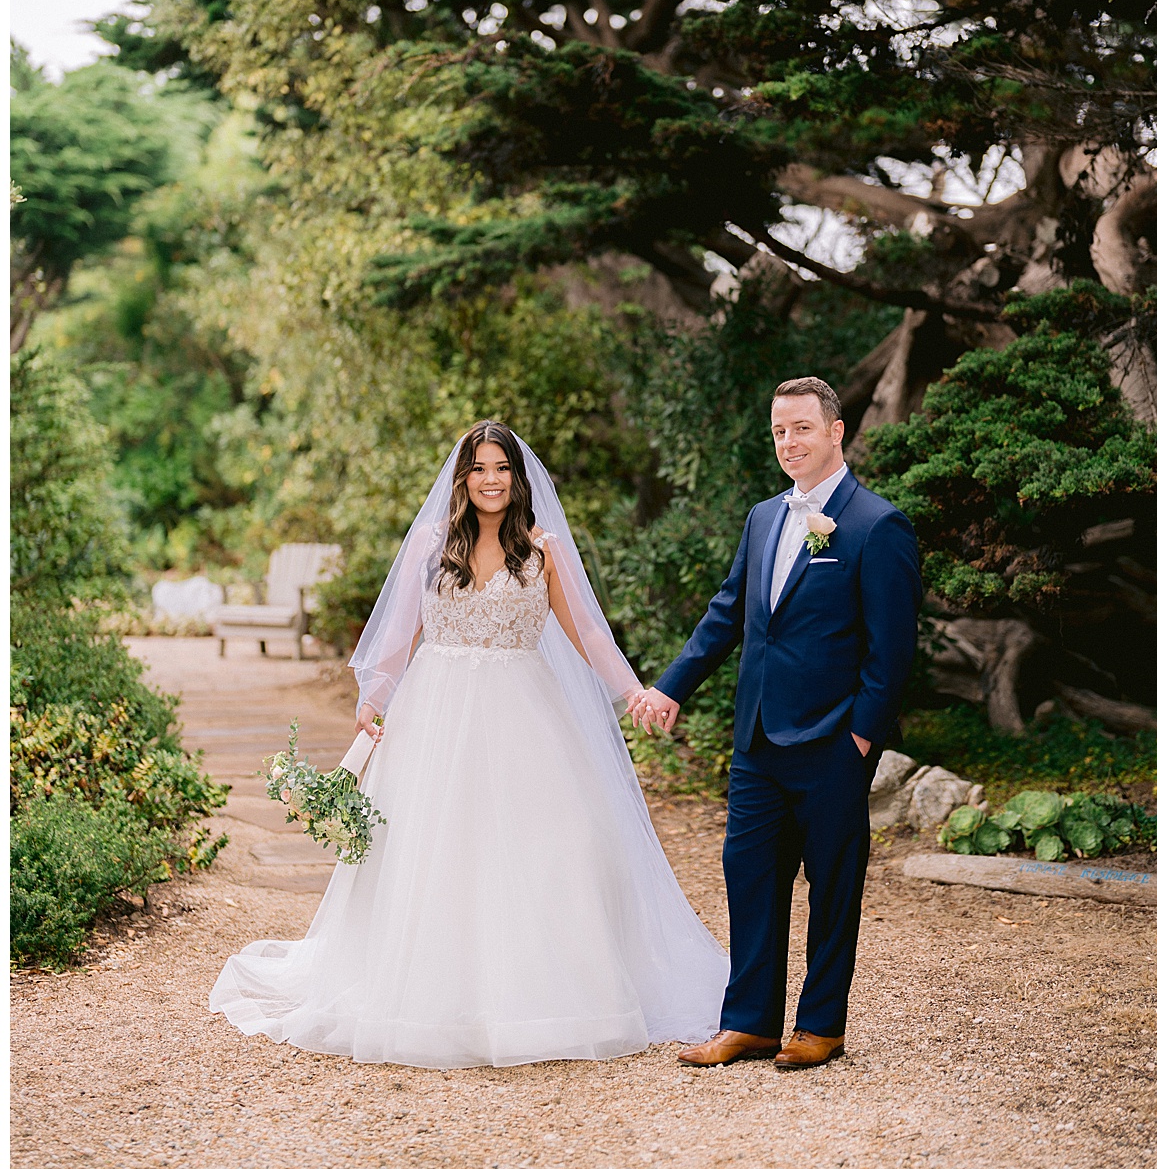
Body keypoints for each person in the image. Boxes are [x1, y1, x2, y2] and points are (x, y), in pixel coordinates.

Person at [211, 421, 728, 1068]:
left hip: (524, 714)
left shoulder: (543, 550)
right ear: (462, 478)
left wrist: (634, 693)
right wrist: (374, 697)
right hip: (435, 712)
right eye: (478, 468)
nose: (490, 480)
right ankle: (428, 993)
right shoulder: (432, 545)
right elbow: (399, 634)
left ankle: (545, 993)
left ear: (518, 478)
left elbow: (589, 636)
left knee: (546, 844)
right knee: (433, 846)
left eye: (501, 468)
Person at [633, 377, 920, 1071]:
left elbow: (893, 651)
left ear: (836, 431)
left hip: (831, 743)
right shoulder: (765, 517)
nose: (789, 443)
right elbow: (727, 614)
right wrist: (671, 688)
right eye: (779, 432)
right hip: (757, 740)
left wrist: (860, 738)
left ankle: (821, 1025)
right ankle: (751, 1023)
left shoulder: (877, 525)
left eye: (801, 429)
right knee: (750, 878)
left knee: (833, 887)